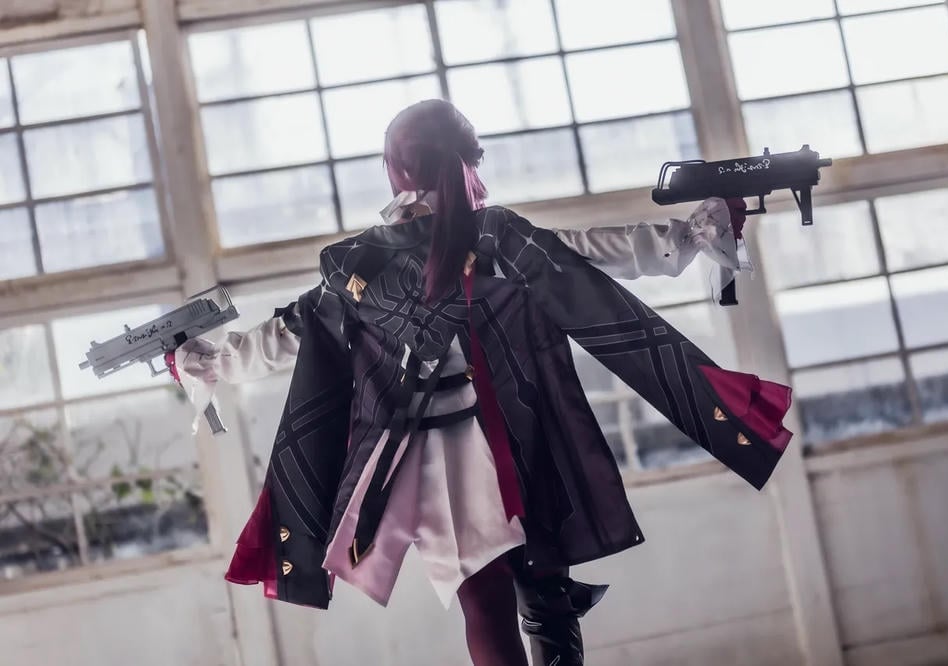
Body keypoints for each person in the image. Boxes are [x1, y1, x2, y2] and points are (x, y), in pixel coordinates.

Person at [169, 99, 791, 666]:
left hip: (435, 463)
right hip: (516, 435)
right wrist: (693, 233)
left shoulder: (356, 264)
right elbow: (592, 251)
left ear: (394, 171)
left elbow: (283, 336)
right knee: (543, 590)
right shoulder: (495, 236)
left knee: (488, 605)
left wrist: (203, 362)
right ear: (468, 161)